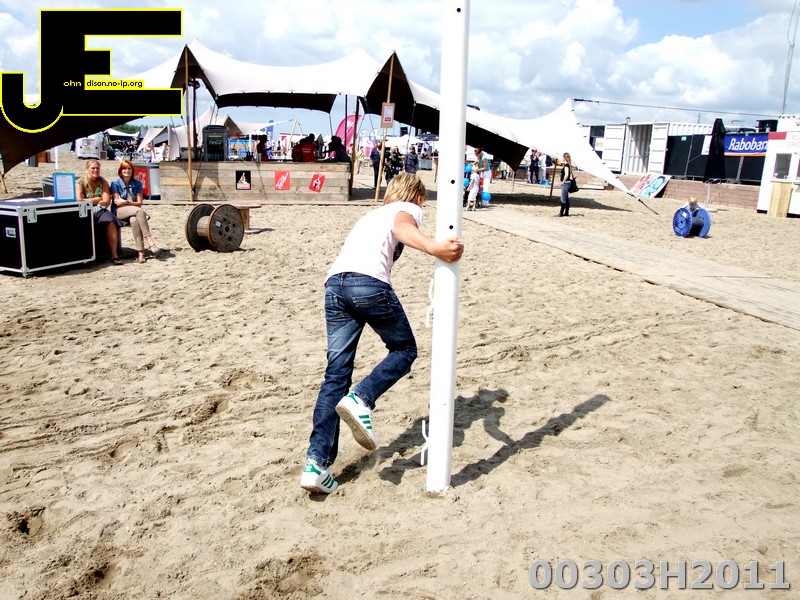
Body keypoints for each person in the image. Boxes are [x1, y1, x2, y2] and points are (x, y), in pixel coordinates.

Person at [300, 172, 465, 494]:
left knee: (335, 376)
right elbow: (403, 228)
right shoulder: (407, 208)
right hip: (367, 284)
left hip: (334, 286)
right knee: (404, 350)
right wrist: (435, 248)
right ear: (417, 196)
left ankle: (316, 465)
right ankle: (361, 399)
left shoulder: (371, 215)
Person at [110, 160, 164, 263]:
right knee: (140, 212)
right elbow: (118, 203)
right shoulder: (115, 183)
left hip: (133, 211)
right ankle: (150, 241)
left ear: (132, 170)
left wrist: (126, 202)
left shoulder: (137, 183)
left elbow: (139, 203)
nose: (127, 170)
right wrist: (129, 203)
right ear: (120, 171)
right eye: (124, 168)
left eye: (129, 168)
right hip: (119, 212)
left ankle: (141, 253)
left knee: (134, 220)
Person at [75, 160, 122, 265]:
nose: (95, 170)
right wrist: (97, 199)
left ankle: (114, 255)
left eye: (97, 168)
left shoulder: (102, 181)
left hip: (100, 209)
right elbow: (79, 201)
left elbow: (106, 201)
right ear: (87, 169)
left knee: (111, 222)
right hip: (86, 210)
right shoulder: (80, 183)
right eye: (93, 168)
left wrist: (89, 200)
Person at [558, 152, 575, 217]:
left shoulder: (566, 166)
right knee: (566, 198)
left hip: (566, 183)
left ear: (565, 158)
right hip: (568, 183)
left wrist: (563, 181)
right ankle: (566, 212)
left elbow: (566, 175)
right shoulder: (568, 165)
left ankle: (561, 213)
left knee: (563, 199)